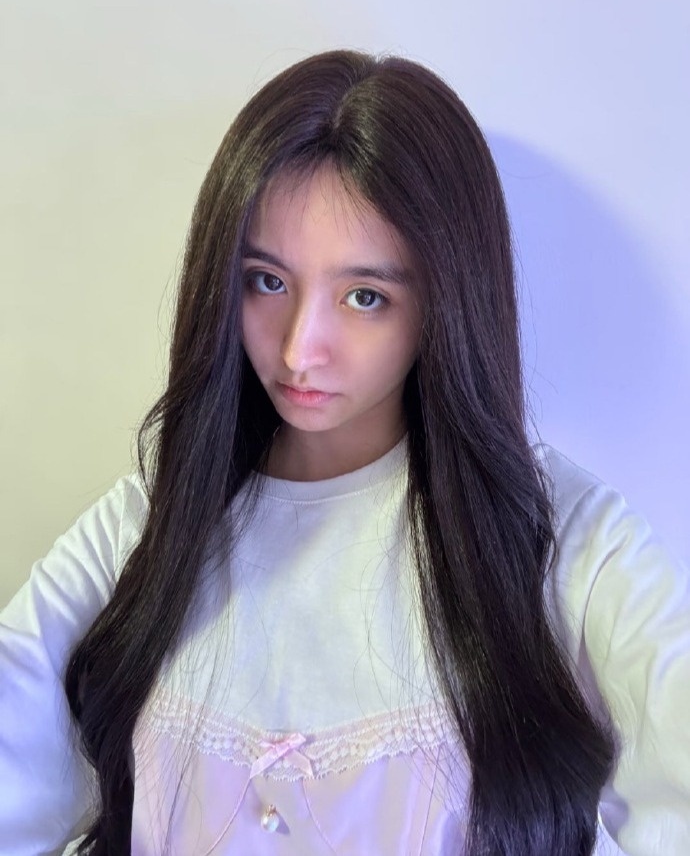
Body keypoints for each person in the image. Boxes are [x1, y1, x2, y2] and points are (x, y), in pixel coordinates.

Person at [0, 49, 688, 856]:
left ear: (447, 301)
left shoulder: (564, 543)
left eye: (365, 297)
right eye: (267, 281)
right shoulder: (146, 529)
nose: (300, 349)